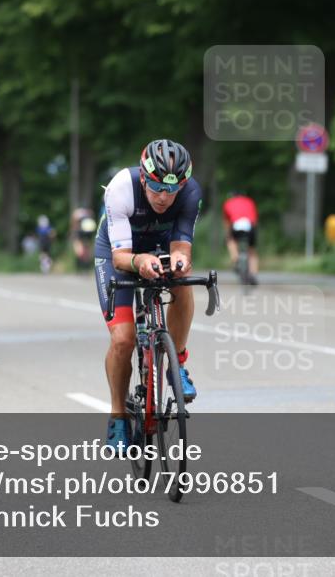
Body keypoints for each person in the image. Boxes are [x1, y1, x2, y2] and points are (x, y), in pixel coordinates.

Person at [94, 139, 202, 454]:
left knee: (182, 278)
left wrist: (180, 261)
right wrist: (140, 262)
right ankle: (117, 417)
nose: (164, 197)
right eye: (156, 187)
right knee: (124, 340)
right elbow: (121, 257)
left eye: (172, 190)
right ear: (144, 177)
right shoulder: (120, 189)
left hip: (160, 245)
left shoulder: (191, 193)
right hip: (119, 252)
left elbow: (181, 246)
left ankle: (176, 365)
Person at [222, 192, 259, 284]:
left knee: (230, 240)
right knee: (252, 251)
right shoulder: (249, 201)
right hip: (250, 226)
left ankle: (236, 258)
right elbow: (255, 219)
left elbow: (227, 223)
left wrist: (227, 235)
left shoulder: (228, 203)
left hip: (236, 225)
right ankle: (253, 274)